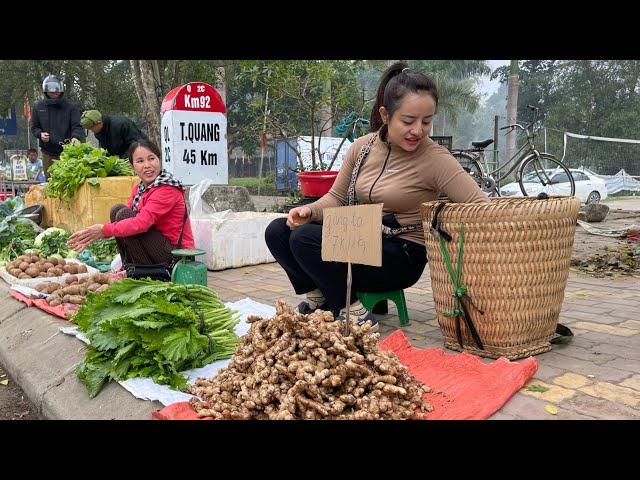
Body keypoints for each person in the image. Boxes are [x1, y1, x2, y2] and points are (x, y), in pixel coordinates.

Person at [264, 61, 489, 332]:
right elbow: (336, 197)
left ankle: (353, 313)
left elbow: (482, 208)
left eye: (426, 122)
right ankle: (320, 298)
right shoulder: (362, 147)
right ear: (385, 115)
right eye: (408, 121)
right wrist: (309, 212)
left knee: (305, 239)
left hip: (401, 254)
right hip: (364, 239)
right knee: (279, 230)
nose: (418, 130)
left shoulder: (436, 159)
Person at [67, 139, 195, 266]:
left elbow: (142, 223)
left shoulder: (167, 189)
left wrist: (103, 230)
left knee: (123, 215)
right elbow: (126, 222)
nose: (147, 165)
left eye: (151, 159)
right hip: (160, 247)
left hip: (177, 256)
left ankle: (142, 272)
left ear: (160, 160)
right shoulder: (140, 189)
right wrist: (97, 232)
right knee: (117, 211)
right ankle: (130, 267)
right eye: (140, 161)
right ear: (133, 166)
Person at [29, 75, 85, 179]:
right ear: (46, 92)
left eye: (57, 91)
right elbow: (34, 127)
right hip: (48, 152)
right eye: (51, 92)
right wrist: (40, 134)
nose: (55, 93)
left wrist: (75, 137)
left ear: (61, 90)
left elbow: (77, 125)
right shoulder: (38, 107)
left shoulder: (70, 107)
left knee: (68, 180)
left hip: (67, 152)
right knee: (51, 181)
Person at [80, 109, 148, 158]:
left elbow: (137, 143)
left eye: (92, 128)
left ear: (99, 123)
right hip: (122, 158)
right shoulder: (99, 131)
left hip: (141, 154)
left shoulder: (122, 124)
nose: (92, 131)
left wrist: (124, 158)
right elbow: (106, 150)